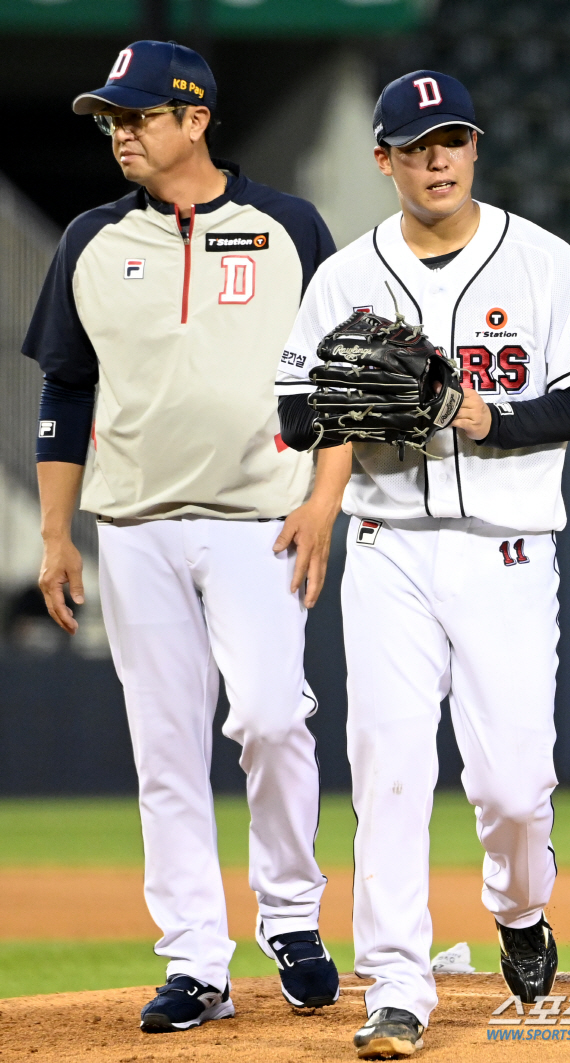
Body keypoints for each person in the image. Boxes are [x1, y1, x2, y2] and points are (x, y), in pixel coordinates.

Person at [276, 70, 570, 1059]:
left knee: (514, 787)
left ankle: (519, 911)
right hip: (388, 549)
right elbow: (297, 408)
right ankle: (396, 982)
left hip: (510, 554)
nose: (438, 158)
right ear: (381, 159)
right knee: (387, 768)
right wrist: (373, 402)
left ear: (474, 150)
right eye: (417, 143)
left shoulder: (543, 261)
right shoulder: (347, 277)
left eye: (454, 139)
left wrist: (492, 417)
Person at [24, 39, 344, 1033]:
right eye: (110, 118)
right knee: (163, 749)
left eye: (136, 115)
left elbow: (335, 383)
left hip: (258, 520)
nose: (119, 131)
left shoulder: (288, 228)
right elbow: (64, 390)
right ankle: (196, 961)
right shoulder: (90, 240)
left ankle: (290, 916)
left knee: (270, 718)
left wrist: (325, 499)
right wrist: (55, 533)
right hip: (132, 529)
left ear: (194, 119)